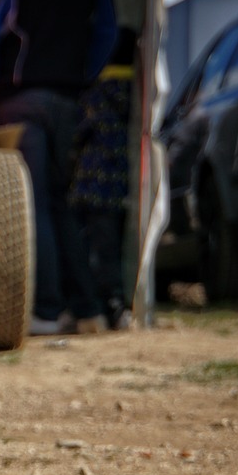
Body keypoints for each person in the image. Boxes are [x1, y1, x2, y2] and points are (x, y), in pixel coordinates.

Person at [0, 0, 117, 335]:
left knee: (29, 205)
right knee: (58, 202)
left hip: (18, 98)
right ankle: (87, 309)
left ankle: (44, 311)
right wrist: (84, 79)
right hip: (67, 97)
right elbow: (106, 28)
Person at [70, 28, 137, 330]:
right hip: (118, 188)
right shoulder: (137, 95)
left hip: (88, 187)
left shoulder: (95, 94)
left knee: (88, 253)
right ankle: (116, 306)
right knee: (113, 253)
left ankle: (93, 307)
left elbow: (78, 133)